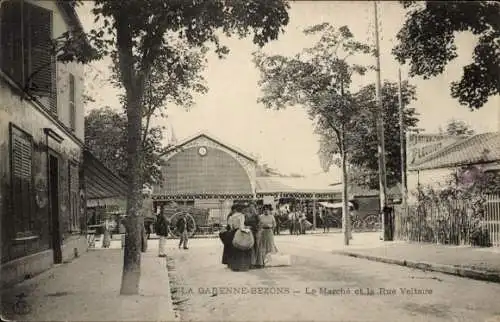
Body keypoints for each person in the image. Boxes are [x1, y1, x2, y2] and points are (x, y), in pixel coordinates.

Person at [226, 203, 252, 271]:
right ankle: (242, 266)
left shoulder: (231, 216)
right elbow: (241, 227)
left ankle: (234, 266)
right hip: (240, 233)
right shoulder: (241, 216)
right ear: (241, 210)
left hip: (233, 233)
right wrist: (247, 229)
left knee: (234, 250)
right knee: (242, 249)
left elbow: (231, 227)